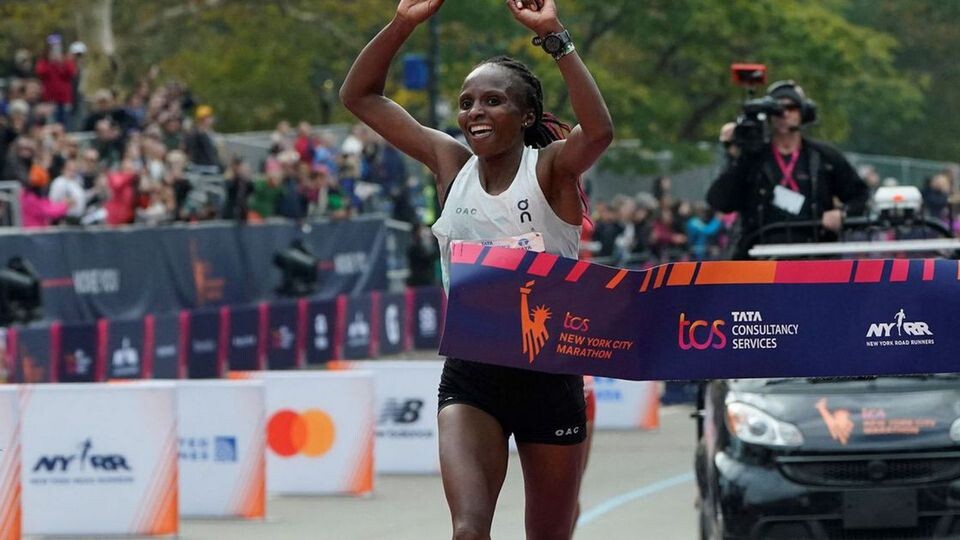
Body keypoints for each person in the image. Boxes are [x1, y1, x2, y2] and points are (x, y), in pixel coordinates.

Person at [340, 1, 613, 538]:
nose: (475, 112)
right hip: (473, 375)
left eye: (493, 100)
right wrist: (403, 23)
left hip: (549, 374)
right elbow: (360, 96)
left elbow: (599, 132)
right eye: (466, 103)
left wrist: (554, 35)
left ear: (526, 116)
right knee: (468, 530)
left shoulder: (551, 169)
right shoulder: (450, 164)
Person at [706, 80, 869, 259]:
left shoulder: (823, 156)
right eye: (777, 109)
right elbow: (720, 201)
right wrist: (734, 156)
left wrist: (843, 214)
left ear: (803, 112)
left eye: (791, 108)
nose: (784, 114)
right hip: (760, 254)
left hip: (814, 253)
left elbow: (860, 194)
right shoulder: (753, 158)